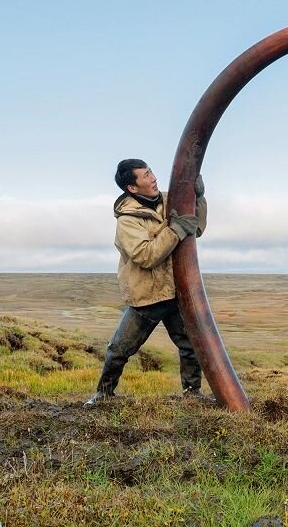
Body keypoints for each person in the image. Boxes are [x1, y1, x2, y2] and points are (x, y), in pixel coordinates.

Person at [84, 158, 207, 406]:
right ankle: (103, 395)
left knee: (191, 345)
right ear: (132, 187)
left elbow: (196, 229)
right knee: (119, 349)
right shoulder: (127, 220)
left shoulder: (169, 199)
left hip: (174, 291)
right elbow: (146, 255)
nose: (153, 178)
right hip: (146, 297)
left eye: (151, 172)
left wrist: (198, 200)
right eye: (145, 175)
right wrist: (175, 230)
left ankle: (192, 393)